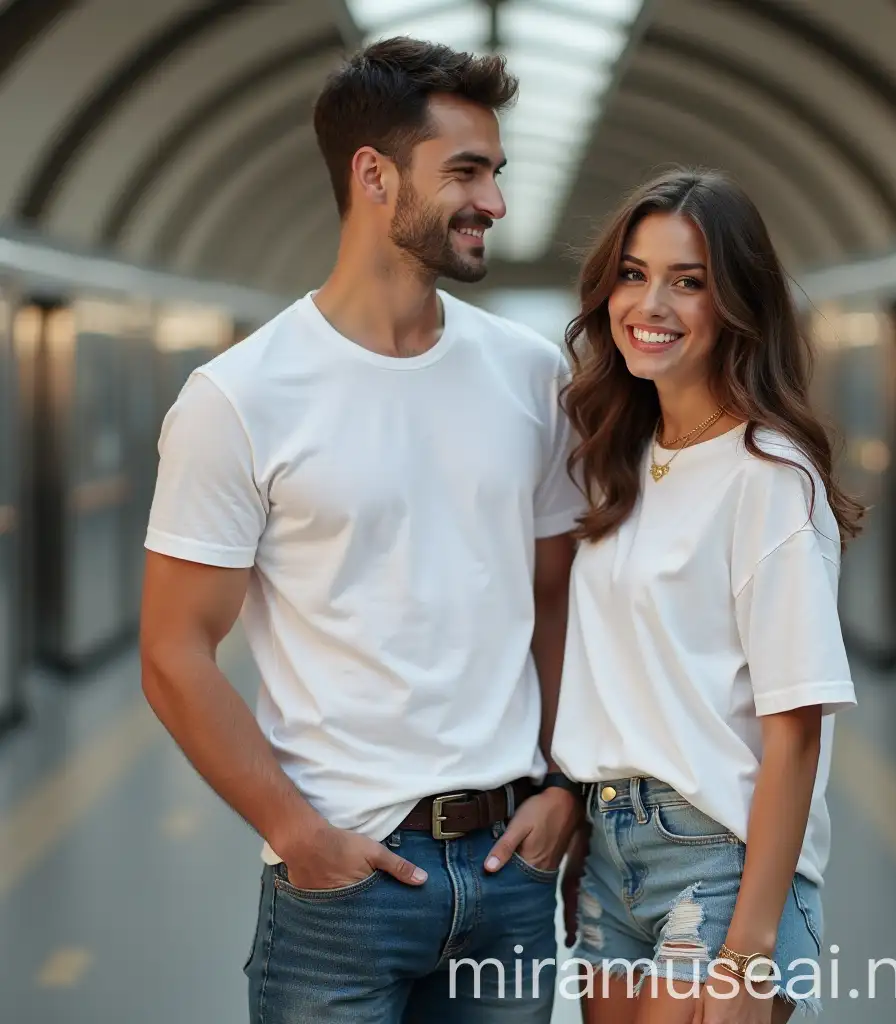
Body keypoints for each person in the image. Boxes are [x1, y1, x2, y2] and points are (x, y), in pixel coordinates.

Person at [139, 37, 585, 1023]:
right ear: (374, 176)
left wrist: (565, 784)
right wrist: (297, 832)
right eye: (465, 172)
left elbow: (557, 594)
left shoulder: (530, 378)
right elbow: (174, 649)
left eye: (496, 173)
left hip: (512, 869)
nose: (495, 203)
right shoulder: (240, 398)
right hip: (343, 883)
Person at [551, 167, 864, 1023]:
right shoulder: (624, 454)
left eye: (688, 282)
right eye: (634, 273)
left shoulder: (770, 476)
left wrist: (747, 953)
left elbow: (793, 728)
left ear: (738, 305)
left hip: (718, 855)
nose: (650, 305)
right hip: (609, 845)